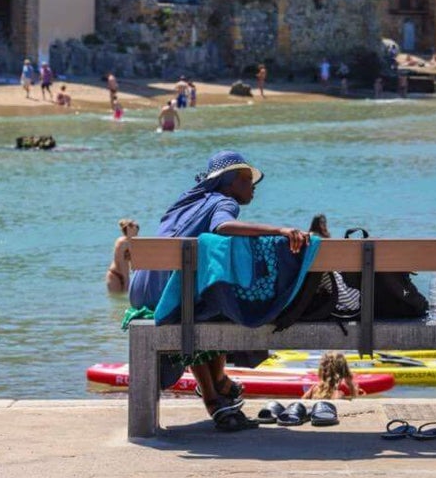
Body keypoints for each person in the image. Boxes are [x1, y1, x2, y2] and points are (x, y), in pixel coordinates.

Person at [124, 152, 307, 432]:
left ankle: (217, 391)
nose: (253, 186)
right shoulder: (225, 202)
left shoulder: (188, 200)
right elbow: (222, 226)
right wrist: (279, 230)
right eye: (247, 179)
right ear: (229, 182)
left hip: (143, 289)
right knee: (218, 302)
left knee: (203, 296)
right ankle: (215, 391)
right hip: (170, 295)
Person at [105, 218, 138, 295]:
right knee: (117, 298)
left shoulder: (132, 243)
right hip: (115, 275)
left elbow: (134, 265)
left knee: (122, 299)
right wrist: (126, 281)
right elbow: (121, 263)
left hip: (125, 276)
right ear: (129, 229)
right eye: (135, 230)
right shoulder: (122, 242)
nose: (137, 234)